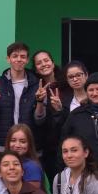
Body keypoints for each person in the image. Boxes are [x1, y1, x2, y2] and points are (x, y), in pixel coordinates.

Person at [0, 42, 40, 157]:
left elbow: (40, 119)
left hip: (30, 145)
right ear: (8, 59)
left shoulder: (36, 84)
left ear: (27, 60)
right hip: (5, 144)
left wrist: (40, 101)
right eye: (15, 56)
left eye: (23, 56)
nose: (19, 59)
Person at [31, 49, 68, 181]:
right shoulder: (34, 88)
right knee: (55, 186)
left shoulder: (67, 85)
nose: (43, 64)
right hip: (46, 148)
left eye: (46, 60)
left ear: (52, 63)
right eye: (39, 63)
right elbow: (37, 121)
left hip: (67, 143)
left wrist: (60, 109)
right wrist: (39, 101)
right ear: (35, 69)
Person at [4, 124, 45, 191]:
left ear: (29, 144)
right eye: (13, 140)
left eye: (22, 142)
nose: (17, 145)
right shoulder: (4, 163)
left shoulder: (32, 167)